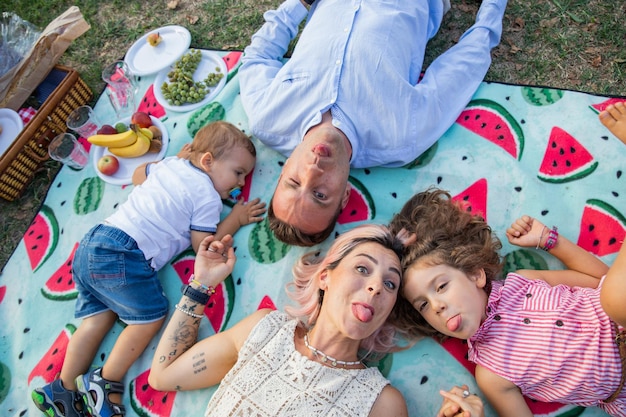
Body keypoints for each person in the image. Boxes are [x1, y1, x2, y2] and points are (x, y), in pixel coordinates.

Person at [31, 121, 267, 417]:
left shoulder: (171, 164)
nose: (241, 183)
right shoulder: (207, 195)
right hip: (125, 254)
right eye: (238, 172)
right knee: (150, 316)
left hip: (95, 243)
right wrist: (237, 218)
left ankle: (61, 391)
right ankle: (104, 381)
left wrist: (177, 161)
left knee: (96, 321)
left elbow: (138, 175)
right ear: (207, 161)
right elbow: (203, 245)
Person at [239, 0, 508, 246]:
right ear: (345, 195)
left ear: (284, 169)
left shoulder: (267, 118)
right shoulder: (399, 138)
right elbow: (465, 66)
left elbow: (257, 58)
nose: (313, 171)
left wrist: (300, 4)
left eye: (294, 182)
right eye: (320, 194)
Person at [148, 227, 484, 417]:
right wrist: (201, 284)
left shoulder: (381, 403)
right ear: (325, 277)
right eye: (363, 269)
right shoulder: (264, 330)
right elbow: (163, 374)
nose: (376, 286)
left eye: (390, 284)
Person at [388, 188, 626, 416]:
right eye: (423, 305)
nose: (436, 306)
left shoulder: (524, 281)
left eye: (441, 287)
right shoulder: (491, 374)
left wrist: (549, 240)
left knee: (614, 298)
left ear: (475, 274)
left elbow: (600, 280)